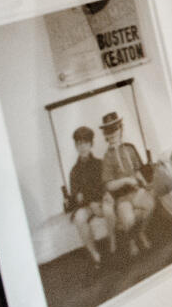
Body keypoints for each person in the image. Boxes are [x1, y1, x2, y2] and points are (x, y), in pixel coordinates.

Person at [100, 111, 155, 257]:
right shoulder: (107, 157)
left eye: (115, 129)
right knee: (128, 219)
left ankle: (141, 233)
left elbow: (137, 170)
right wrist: (125, 180)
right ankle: (131, 241)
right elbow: (109, 185)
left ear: (120, 129)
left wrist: (144, 184)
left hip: (136, 191)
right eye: (108, 131)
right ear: (105, 135)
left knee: (150, 204)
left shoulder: (130, 148)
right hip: (121, 198)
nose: (112, 134)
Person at [63, 125, 112, 264]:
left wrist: (100, 200)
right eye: (79, 144)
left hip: (101, 201)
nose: (82, 147)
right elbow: (77, 196)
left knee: (110, 209)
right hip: (88, 205)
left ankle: (114, 245)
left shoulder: (100, 163)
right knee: (79, 217)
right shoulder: (74, 171)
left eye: (85, 143)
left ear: (91, 144)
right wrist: (90, 203)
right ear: (76, 146)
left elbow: (104, 186)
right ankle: (95, 254)